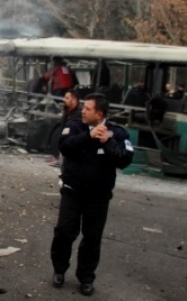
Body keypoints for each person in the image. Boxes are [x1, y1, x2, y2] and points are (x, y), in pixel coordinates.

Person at [51, 93, 134, 296]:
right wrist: (88, 136)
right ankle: (59, 270)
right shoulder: (75, 126)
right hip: (72, 192)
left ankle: (86, 278)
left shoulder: (117, 133)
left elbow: (125, 160)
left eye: (87, 109)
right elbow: (64, 146)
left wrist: (107, 142)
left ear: (99, 114)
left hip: (98, 197)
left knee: (92, 239)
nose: (83, 111)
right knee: (64, 232)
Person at [47, 89, 82, 167]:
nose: (64, 100)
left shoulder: (80, 114)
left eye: (67, 98)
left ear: (74, 100)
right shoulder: (67, 111)